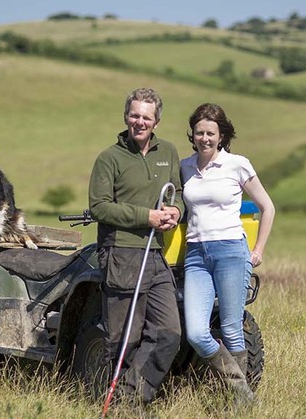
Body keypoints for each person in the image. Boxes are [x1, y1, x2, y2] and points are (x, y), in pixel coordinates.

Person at [88, 87, 184, 406]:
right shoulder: (109, 158)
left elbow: (178, 193)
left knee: (169, 333)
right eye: (134, 115)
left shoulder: (168, 152)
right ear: (125, 116)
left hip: (156, 254)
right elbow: (100, 207)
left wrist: (175, 211)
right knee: (124, 338)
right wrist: (148, 216)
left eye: (146, 116)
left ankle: (130, 397)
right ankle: (120, 405)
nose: (139, 122)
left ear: (156, 121)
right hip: (120, 253)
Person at [180, 102, 275, 404]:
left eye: (210, 133)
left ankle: (238, 401)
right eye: (199, 133)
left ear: (221, 136)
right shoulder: (184, 167)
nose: (204, 138)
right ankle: (244, 392)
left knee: (232, 328)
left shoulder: (237, 164)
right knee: (196, 332)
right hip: (195, 254)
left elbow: (267, 207)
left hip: (231, 252)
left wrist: (257, 249)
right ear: (192, 135)